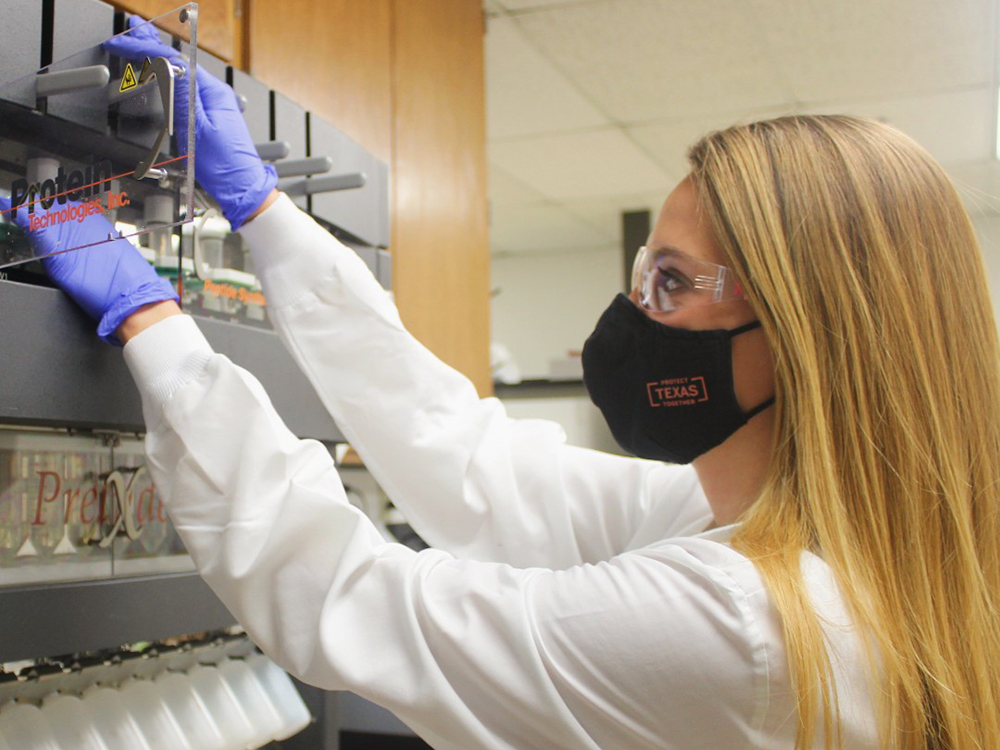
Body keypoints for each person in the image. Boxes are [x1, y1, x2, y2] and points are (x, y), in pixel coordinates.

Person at [12, 18, 1000, 750]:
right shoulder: (789, 538)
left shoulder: (750, 627)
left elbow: (353, 600)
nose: (629, 314)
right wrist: (264, 212)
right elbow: (475, 462)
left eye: (670, 282)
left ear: (800, 337)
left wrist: (155, 328)